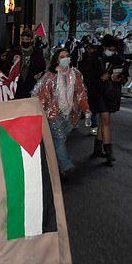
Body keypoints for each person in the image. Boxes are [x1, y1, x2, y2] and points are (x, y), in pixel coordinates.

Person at [33, 49, 90, 177]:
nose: (65, 58)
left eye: (67, 56)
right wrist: (39, 112)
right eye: (62, 56)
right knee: (59, 140)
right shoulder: (50, 76)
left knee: (59, 140)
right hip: (54, 114)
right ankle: (66, 165)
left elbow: (81, 94)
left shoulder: (75, 74)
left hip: (69, 113)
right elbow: (42, 96)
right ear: (57, 60)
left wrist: (86, 109)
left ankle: (50, 165)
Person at [80, 34, 129, 165]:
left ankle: (98, 148)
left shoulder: (118, 59)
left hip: (111, 93)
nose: (112, 52)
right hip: (98, 93)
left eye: (114, 50)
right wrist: (101, 78)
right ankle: (108, 151)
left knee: (103, 120)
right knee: (106, 119)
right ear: (104, 47)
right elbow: (87, 76)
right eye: (110, 49)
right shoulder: (94, 58)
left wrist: (120, 78)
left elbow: (124, 75)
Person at [4, 30, 46, 98]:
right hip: (17, 83)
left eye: (27, 39)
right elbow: (6, 66)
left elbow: (42, 67)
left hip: (31, 83)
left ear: (31, 40)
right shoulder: (15, 51)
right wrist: (13, 61)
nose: (24, 41)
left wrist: (40, 74)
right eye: (23, 39)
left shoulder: (37, 53)